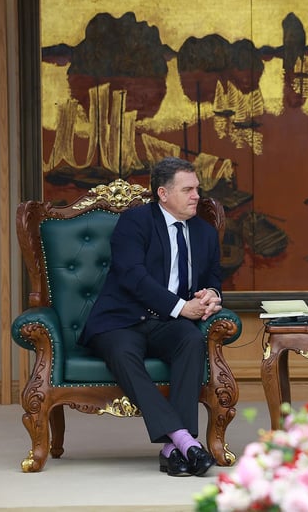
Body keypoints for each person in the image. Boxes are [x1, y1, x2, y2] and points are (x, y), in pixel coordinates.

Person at [80, 157, 224, 477]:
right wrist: (180, 307)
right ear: (163, 193)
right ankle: (185, 441)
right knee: (122, 352)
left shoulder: (204, 232)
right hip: (121, 319)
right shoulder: (135, 222)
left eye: (197, 189)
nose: (196, 196)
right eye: (187, 190)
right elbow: (133, 276)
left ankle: (173, 449)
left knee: (190, 339)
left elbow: (213, 277)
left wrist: (211, 295)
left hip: (167, 325)